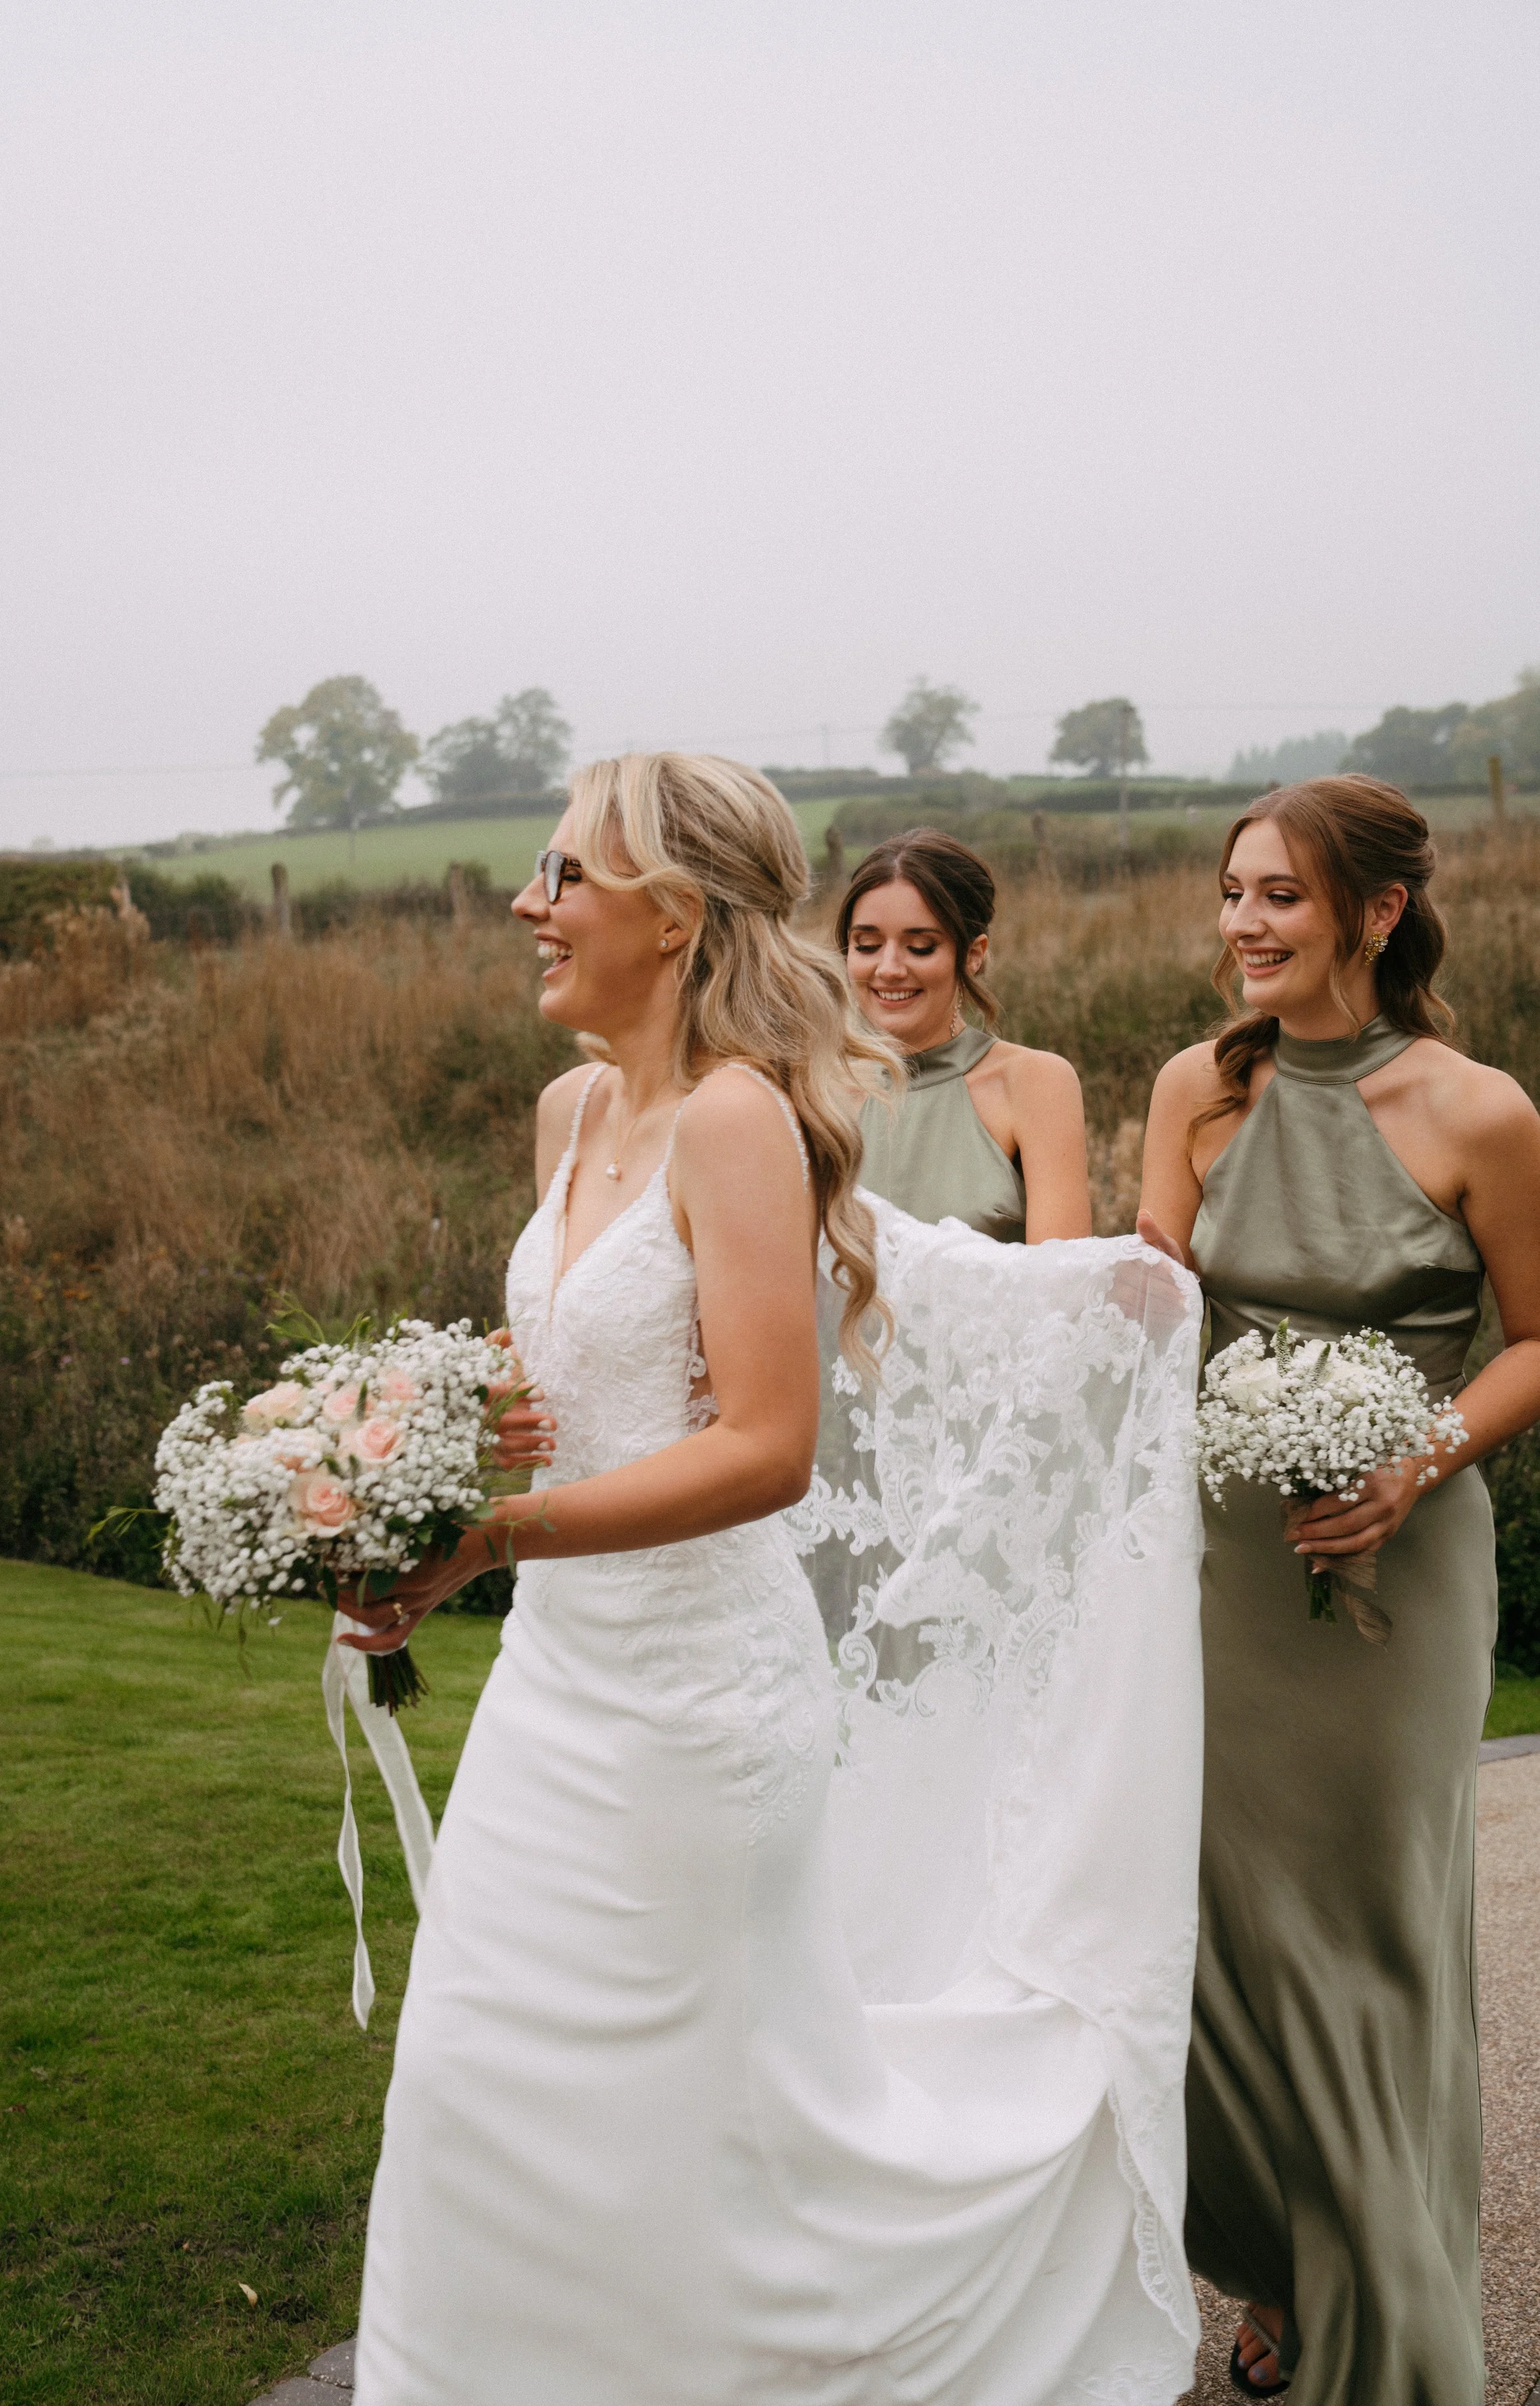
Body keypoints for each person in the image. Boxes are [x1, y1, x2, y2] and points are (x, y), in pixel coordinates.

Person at [339, 753, 1205, 2406]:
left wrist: (497, 1536)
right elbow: (584, 1384)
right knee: (470, 2081)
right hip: (554, 1687)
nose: (526, 902)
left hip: (696, 1712)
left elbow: (764, 1445)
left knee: (691, 2122)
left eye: (562, 873)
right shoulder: (568, 1113)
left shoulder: (738, 1120)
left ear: (671, 915)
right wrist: (423, 1470)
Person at [1137, 775, 1540, 2401]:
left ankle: (1384, 2309)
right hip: (1221, 1566)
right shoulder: (1194, 1088)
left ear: (1376, 911)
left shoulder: (1479, 1111)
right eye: (1234, 891)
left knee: (1366, 1935)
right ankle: (1287, 2266)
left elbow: (1535, 1341)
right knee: (1208, 1933)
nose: (1243, 922)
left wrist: (1415, 1462)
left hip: (1403, 1565)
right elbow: (1147, 1306)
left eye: (1281, 895)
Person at [835, 830, 1090, 1241]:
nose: (889, 969)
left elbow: (1062, 1272)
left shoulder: (1035, 1083)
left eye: (920, 947)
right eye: (867, 945)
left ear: (973, 954)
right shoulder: (812, 1091)